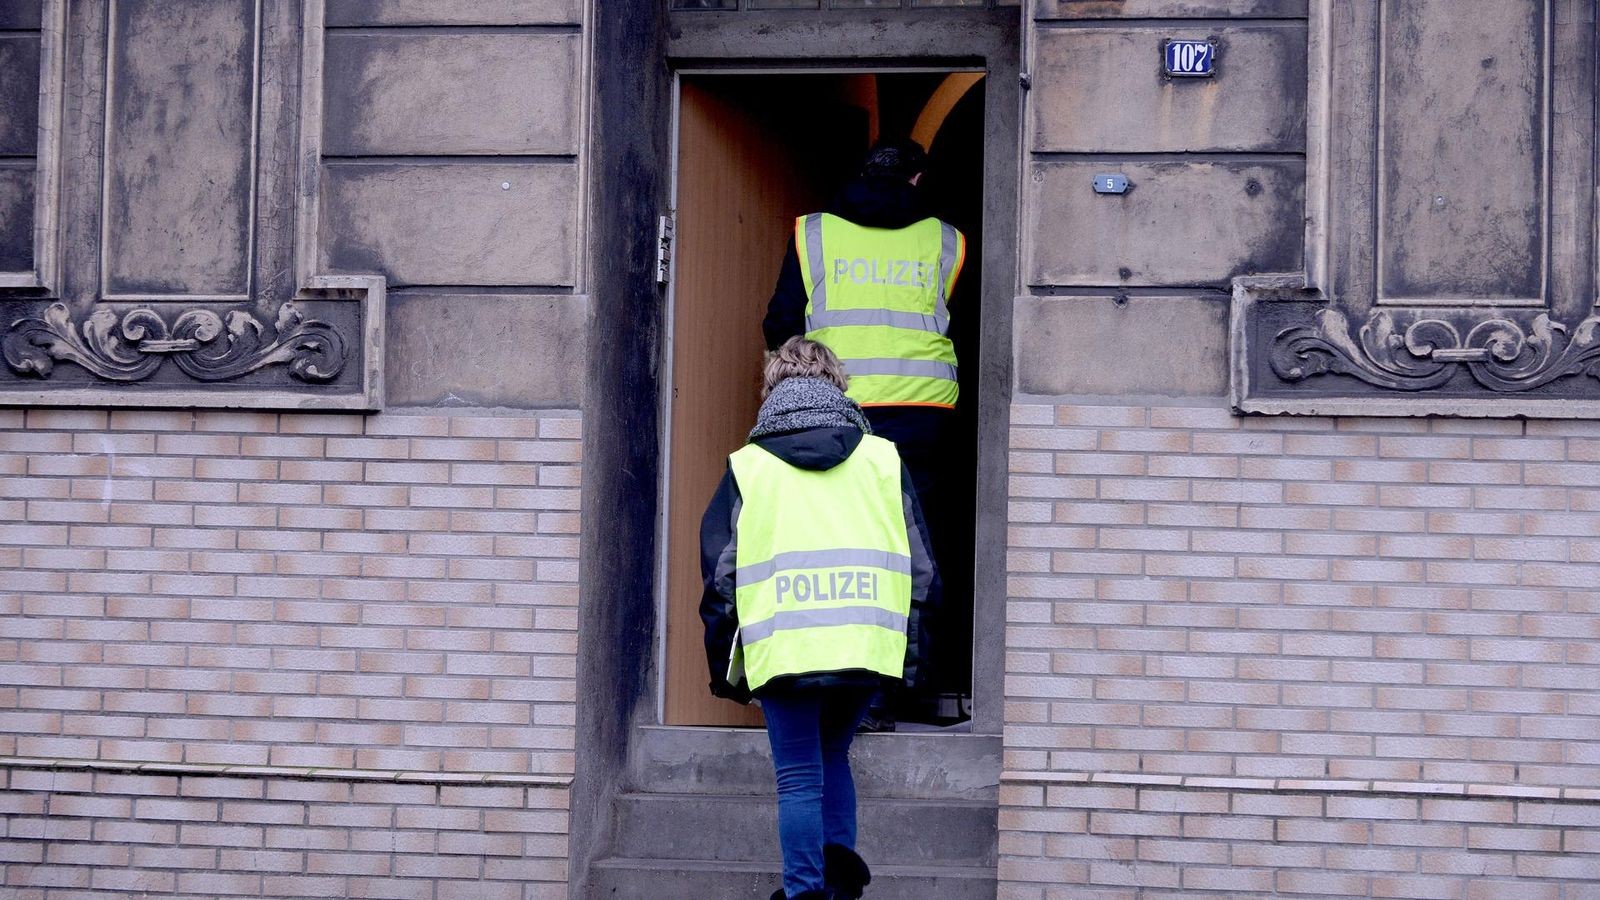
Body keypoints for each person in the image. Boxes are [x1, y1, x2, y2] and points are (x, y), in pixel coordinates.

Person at [699, 338, 936, 900]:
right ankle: (841, 893)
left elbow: (720, 578)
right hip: (863, 647)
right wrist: (910, 651)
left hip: (785, 651)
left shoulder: (748, 466)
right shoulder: (882, 459)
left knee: (799, 777)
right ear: (839, 386)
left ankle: (805, 894)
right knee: (834, 759)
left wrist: (724, 667)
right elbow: (922, 569)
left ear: (772, 389)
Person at [763, 138, 966, 728]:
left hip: (835, 411)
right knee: (910, 549)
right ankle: (896, 690)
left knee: (836, 548)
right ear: (917, 179)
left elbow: (780, 321)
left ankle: (834, 689)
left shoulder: (815, 234)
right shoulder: (945, 240)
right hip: (922, 415)